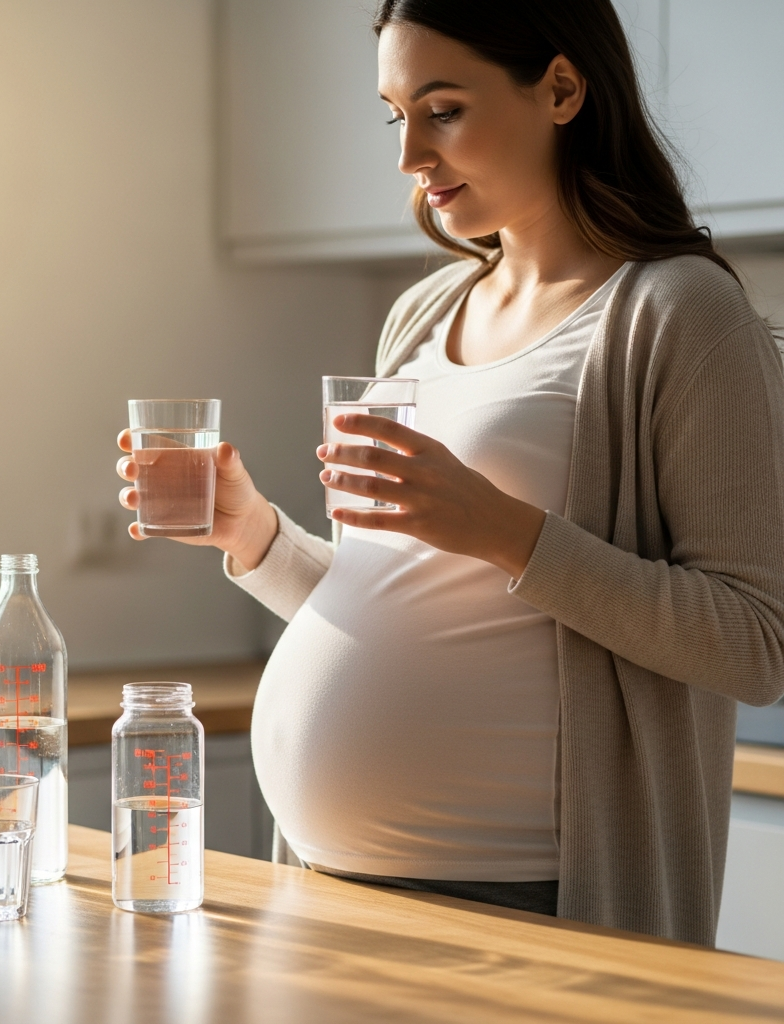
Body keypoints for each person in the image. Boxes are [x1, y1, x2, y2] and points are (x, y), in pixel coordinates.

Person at [116, 0, 784, 945]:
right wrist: (253, 534)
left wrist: (499, 527)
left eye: (444, 110)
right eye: (397, 116)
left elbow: (756, 644)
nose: (409, 157)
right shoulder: (424, 314)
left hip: (524, 906)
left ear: (560, 89)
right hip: (325, 887)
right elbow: (396, 601)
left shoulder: (679, 315)